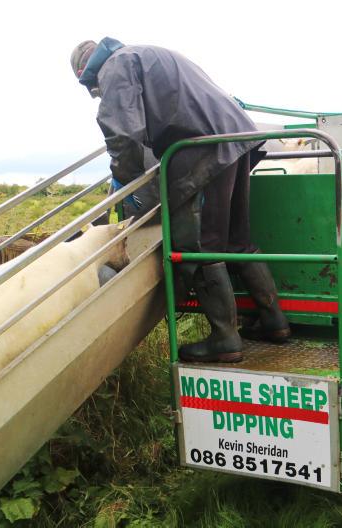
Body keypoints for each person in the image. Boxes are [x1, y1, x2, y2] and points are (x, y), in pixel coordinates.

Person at [70, 37, 289, 363]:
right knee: (236, 240)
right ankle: (274, 321)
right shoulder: (144, 54)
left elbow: (124, 134)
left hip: (202, 148)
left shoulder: (114, 67)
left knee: (198, 246)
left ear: (85, 72)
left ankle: (225, 339)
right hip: (236, 135)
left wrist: (127, 180)